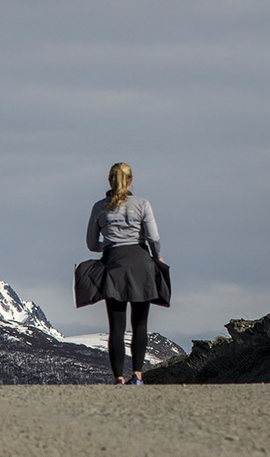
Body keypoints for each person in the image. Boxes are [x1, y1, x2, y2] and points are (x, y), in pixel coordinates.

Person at [85, 162, 164, 385]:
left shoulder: (99, 207)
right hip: (141, 264)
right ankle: (137, 375)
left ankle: (118, 378)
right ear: (131, 181)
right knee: (140, 323)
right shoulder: (142, 204)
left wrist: (111, 245)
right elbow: (153, 237)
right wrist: (157, 256)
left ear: (109, 180)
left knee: (116, 326)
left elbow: (91, 243)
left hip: (114, 266)